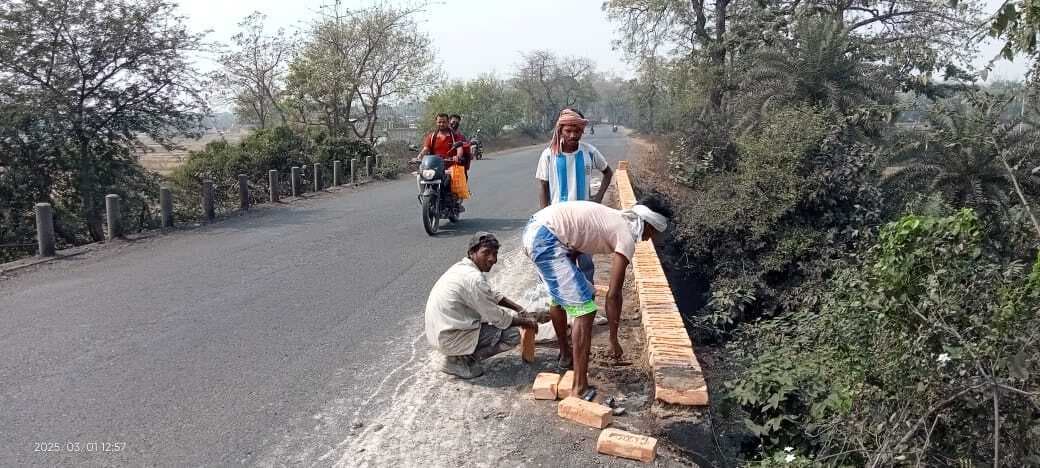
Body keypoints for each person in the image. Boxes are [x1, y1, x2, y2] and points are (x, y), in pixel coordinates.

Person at [522, 199, 670, 397]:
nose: (650, 239)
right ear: (649, 225)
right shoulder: (625, 236)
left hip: (537, 231)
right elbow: (613, 294)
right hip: (546, 240)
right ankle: (579, 387)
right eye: (654, 233)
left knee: (565, 297)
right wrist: (613, 339)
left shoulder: (614, 219)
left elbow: (576, 239)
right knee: (586, 309)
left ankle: (566, 356)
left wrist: (573, 276)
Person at [425, 232, 542, 379]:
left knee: (496, 323)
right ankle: (458, 361)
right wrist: (526, 322)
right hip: (450, 337)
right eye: (486, 253)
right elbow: (498, 318)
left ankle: (458, 356)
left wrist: (519, 309)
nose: (492, 259)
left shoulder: (463, 268)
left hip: (440, 332)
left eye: (495, 253)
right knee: (512, 335)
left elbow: (491, 294)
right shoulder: (474, 279)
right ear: (472, 252)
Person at [535, 108, 615, 320]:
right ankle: (563, 310)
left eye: (576, 131)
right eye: (568, 131)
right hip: (558, 222)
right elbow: (543, 186)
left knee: (586, 264)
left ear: (582, 132)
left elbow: (608, 172)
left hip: (584, 221)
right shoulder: (548, 155)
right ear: (561, 131)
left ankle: (587, 309)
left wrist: (597, 200)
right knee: (560, 265)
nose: (572, 135)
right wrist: (545, 216)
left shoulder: (589, 152)